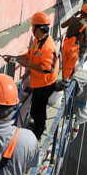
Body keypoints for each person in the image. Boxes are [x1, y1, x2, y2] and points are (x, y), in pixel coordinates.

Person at [12, 12, 59, 140]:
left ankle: (37, 134)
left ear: (38, 29)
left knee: (37, 111)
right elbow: (30, 54)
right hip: (40, 83)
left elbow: (47, 68)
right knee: (38, 109)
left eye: (33, 27)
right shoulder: (39, 40)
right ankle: (39, 125)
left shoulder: (47, 47)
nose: (31, 29)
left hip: (45, 84)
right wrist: (15, 58)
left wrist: (28, 64)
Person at [60, 4, 87, 80]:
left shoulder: (72, 19)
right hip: (73, 49)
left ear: (80, 11)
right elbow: (85, 42)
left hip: (65, 45)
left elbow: (62, 25)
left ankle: (63, 80)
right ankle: (65, 83)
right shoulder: (85, 26)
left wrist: (73, 16)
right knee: (69, 68)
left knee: (64, 65)